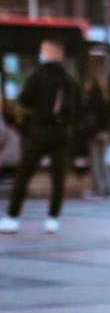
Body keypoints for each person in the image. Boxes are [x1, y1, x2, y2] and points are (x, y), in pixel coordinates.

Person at [0, 39, 80, 234]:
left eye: (43, 50)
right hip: (62, 133)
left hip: (39, 131)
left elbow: (23, 101)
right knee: (58, 178)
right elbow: (78, 110)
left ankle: (12, 217)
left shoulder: (37, 75)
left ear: (49, 53)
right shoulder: (70, 79)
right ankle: (52, 219)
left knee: (24, 174)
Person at [79, 58, 110, 199]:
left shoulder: (92, 96)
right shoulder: (107, 96)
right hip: (105, 132)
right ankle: (106, 187)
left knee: (95, 162)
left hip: (95, 132)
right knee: (103, 161)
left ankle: (98, 189)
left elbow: (88, 113)